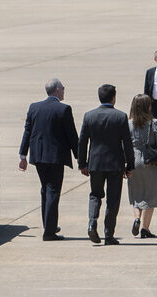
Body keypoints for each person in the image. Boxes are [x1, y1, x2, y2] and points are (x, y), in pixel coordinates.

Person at [18, 78, 79, 241]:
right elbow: (72, 136)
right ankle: (50, 232)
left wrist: (23, 156)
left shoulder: (34, 107)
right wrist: (80, 158)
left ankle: (49, 224)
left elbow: (27, 132)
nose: (64, 90)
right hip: (55, 158)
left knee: (45, 189)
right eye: (63, 88)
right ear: (57, 90)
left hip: (38, 157)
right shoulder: (64, 109)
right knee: (53, 191)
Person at [78, 84, 133, 245]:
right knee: (113, 200)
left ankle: (91, 223)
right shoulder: (120, 117)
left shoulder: (89, 116)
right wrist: (130, 165)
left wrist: (82, 163)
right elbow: (127, 144)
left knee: (95, 195)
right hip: (115, 164)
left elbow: (82, 142)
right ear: (113, 98)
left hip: (95, 164)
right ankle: (108, 234)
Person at [126, 93, 157, 237]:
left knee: (136, 193)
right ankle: (145, 228)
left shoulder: (128, 123)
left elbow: (124, 145)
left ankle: (137, 218)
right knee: (151, 195)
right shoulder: (154, 123)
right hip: (150, 161)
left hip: (134, 160)